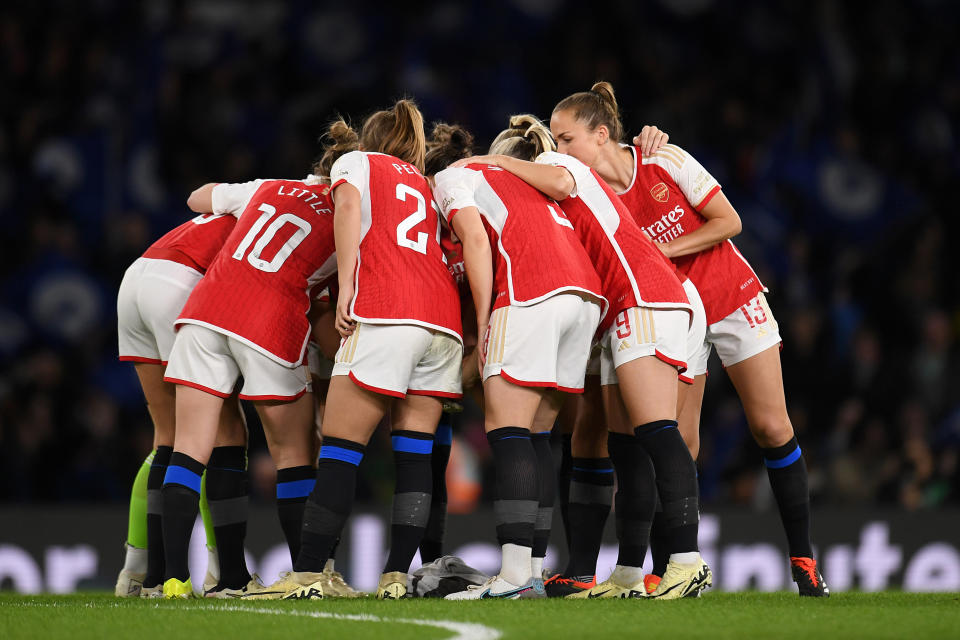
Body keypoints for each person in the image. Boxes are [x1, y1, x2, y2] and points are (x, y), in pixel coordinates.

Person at [550, 81, 828, 596]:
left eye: (566, 140)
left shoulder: (664, 159)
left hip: (731, 296)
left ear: (602, 135)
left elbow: (730, 221)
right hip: (676, 314)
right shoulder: (591, 198)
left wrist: (663, 253)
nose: (559, 151)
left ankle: (804, 559)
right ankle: (668, 568)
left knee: (770, 425)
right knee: (682, 440)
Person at [455, 117, 711, 599]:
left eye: (570, 137)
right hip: (622, 305)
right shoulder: (551, 206)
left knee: (658, 431)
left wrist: (493, 160)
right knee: (628, 442)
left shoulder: (554, 165)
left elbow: (558, 176)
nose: (566, 148)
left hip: (642, 294)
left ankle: (686, 559)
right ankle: (630, 571)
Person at [246, 100, 463, 601]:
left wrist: (347, 287)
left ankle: (306, 576)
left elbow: (346, 208)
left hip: (387, 312)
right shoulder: (425, 184)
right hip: (441, 323)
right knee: (414, 459)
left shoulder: (357, 162)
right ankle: (394, 578)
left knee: (341, 451)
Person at [431, 117, 605, 600]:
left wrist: (486, 322)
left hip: (531, 293)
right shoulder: (529, 184)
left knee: (506, 435)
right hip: (585, 297)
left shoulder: (455, 177)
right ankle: (529, 571)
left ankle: (509, 576)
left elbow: (478, 241)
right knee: (536, 439)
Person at [158, 167, 338, 598]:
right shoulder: (351, 216)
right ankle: (306, 577)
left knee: (187, 451)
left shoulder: (269, 187)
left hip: (207, 308)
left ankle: (173, 581)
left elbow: (197, 196)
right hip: (269, 320)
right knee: (293, 453)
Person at [115, 211, 242, 598]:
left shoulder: (255, 193)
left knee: (167, 438)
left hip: (138, 276)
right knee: (221, 431)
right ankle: (223, 574)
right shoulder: (317, 209)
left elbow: (198, 196)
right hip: (181, 282)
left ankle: (142, 575)